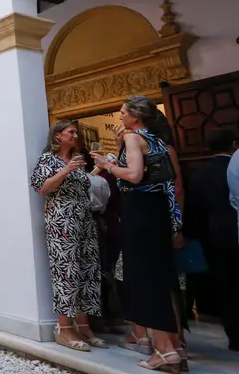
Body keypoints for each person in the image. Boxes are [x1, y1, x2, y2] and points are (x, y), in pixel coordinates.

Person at [92, 96, 186, 371]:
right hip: (157, 212)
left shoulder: (135, 137)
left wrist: (107, 165)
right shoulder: (158, 140)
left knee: (145, 281)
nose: (120, 116)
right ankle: (172, 347)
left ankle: (165, 352)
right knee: (161, 279)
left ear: (135, 115)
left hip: (140, 213)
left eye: (122, 112)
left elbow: (133, 175)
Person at [31, 120, 103, 351]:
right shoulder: (48, 160)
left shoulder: (79, 160)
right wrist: (66, 170)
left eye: (75, 132)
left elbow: (83, 185)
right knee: (67, 270)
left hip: (84, 217)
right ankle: (64, 328)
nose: (75, 135)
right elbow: (42, 187)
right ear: (58, 136)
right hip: (62, 219)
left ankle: (83, 324)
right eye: (70, 132)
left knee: (88, 268)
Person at [185, 129, 238, 351]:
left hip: (215, 236)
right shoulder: (233, 166)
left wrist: (190, 235)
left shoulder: (200, 173)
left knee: (227, 288)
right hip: (233, 229)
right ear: (233, 144)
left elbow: (193, 211)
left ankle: (235, 336)